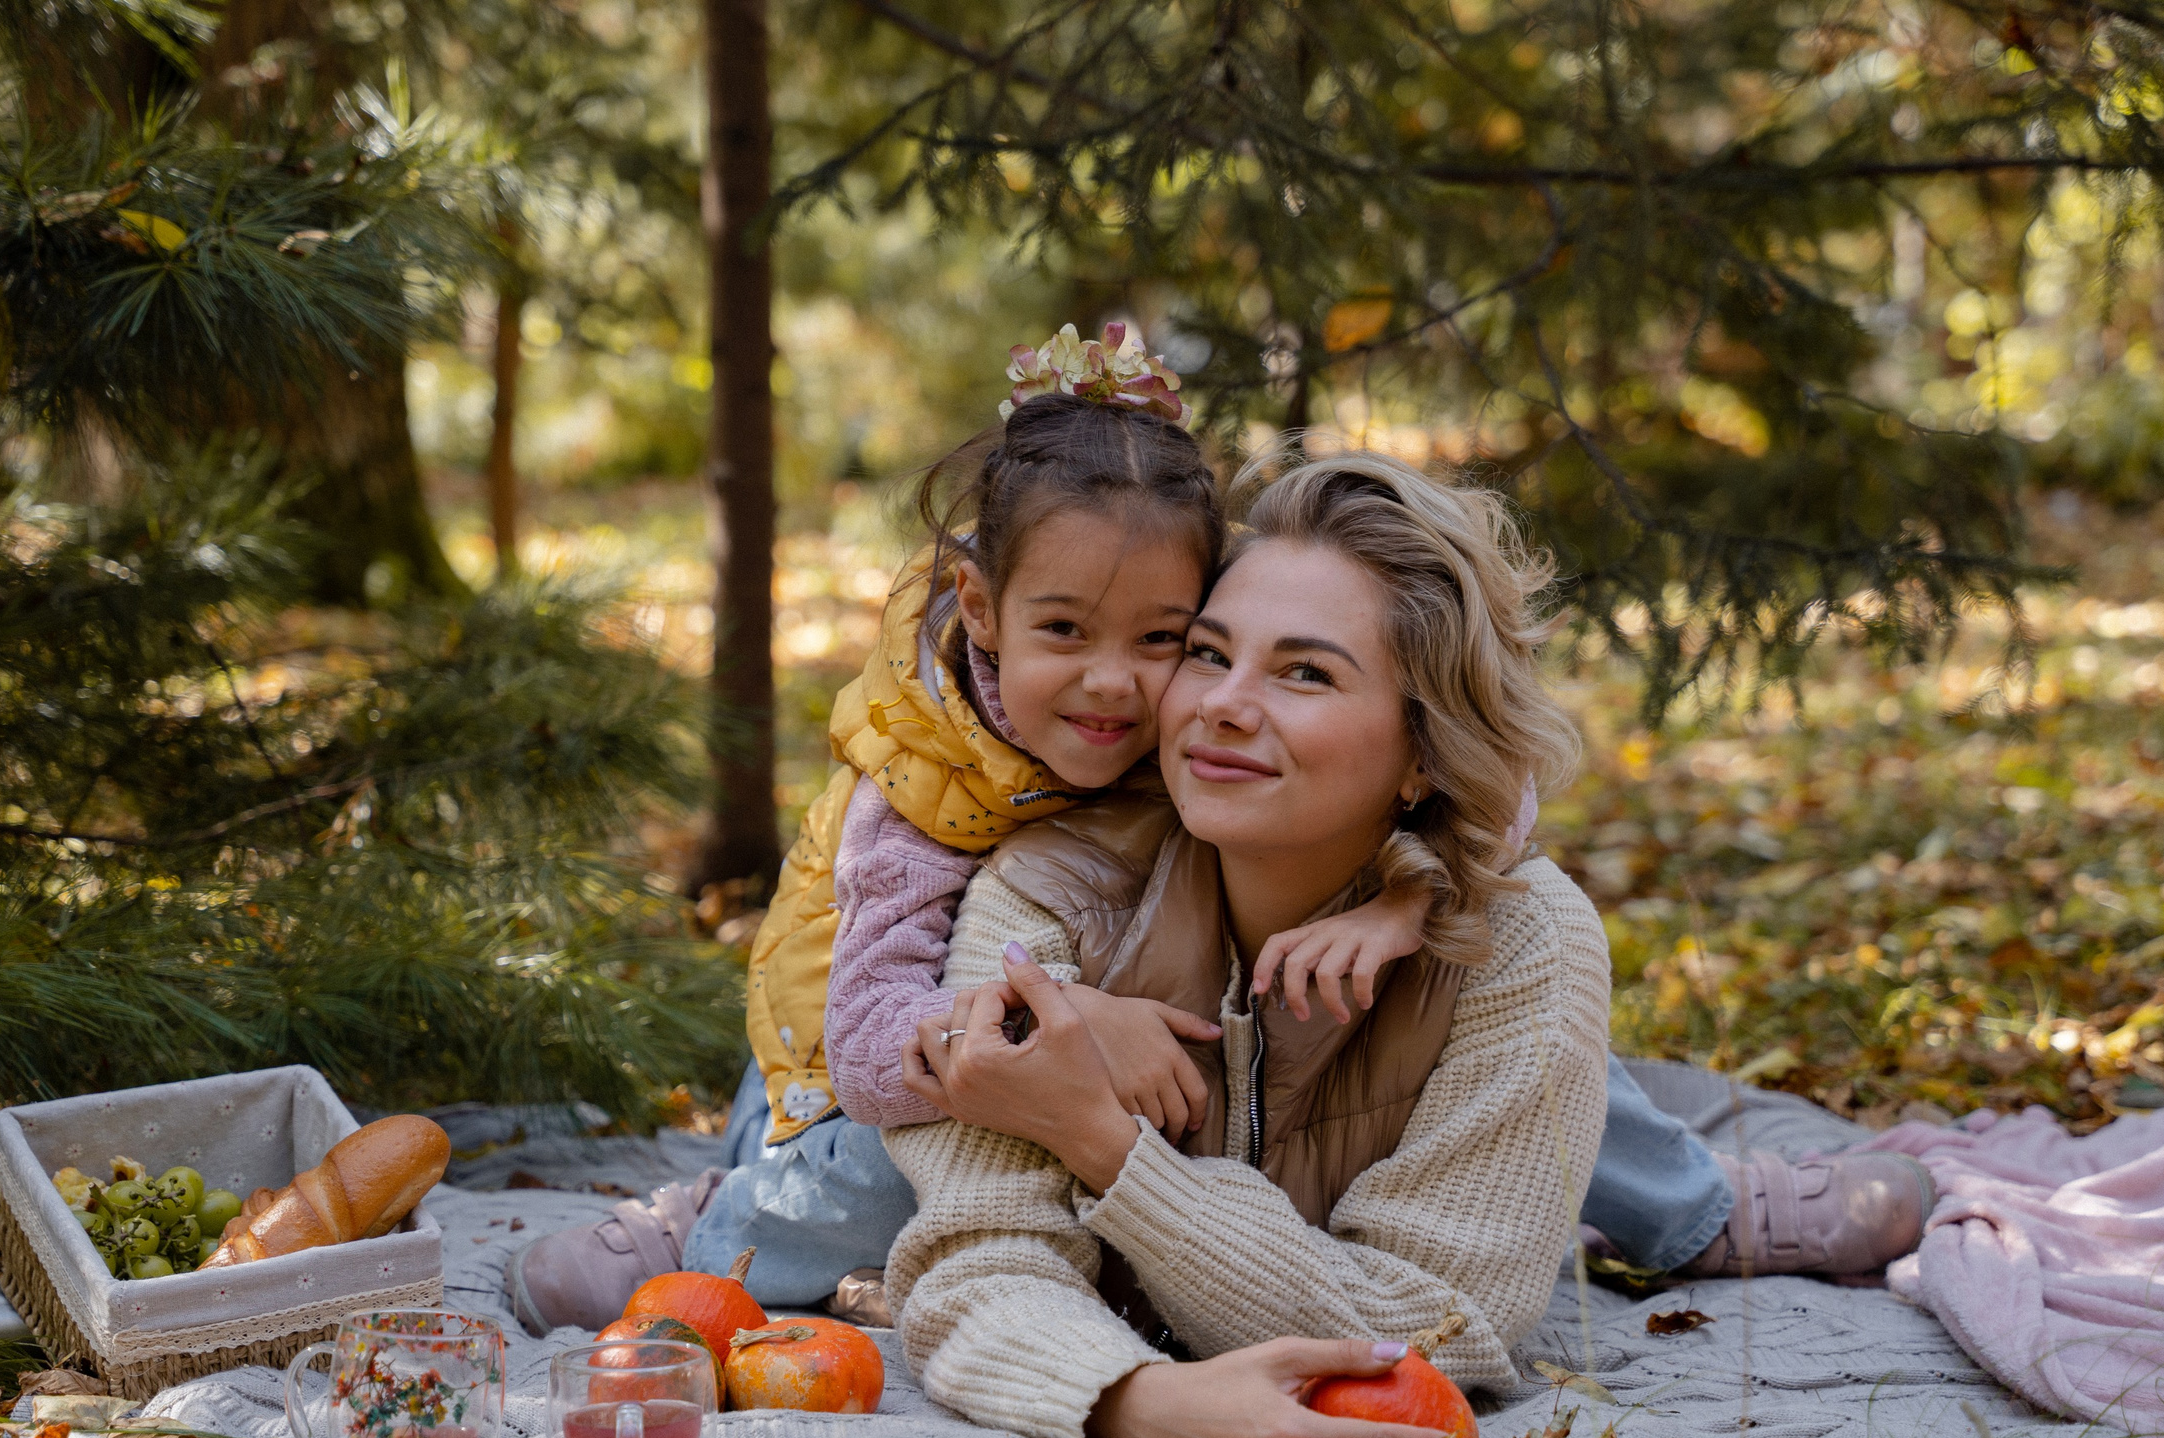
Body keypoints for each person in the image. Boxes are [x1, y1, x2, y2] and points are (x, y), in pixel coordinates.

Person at [504, 340, 1927, 1337]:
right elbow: (887, 1051)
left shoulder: (1212, 678)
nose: (1132, 689)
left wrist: (1407, 896)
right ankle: (710, 1226)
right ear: (983, 607)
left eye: (1167, 639)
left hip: (1104, 968)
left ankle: (1693, 1207)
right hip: (867, 1065)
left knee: (1505, 990)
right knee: (898, 1161)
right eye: (1066, 633)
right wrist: (1082, 1022)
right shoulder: (917, 784)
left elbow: (1483, 782)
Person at [885, 452, 1921, 1438]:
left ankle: (1692, 1198)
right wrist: (1137, 1405)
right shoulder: (1049, 899)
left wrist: (1102, 1141)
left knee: (1575, 1120)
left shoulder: (1518, 943)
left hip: (1474, 1074)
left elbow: (1437, 1323)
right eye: (1206, 655)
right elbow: (976, 1258)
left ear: (1422, 749)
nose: (1224, 707)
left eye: (1305, 672)